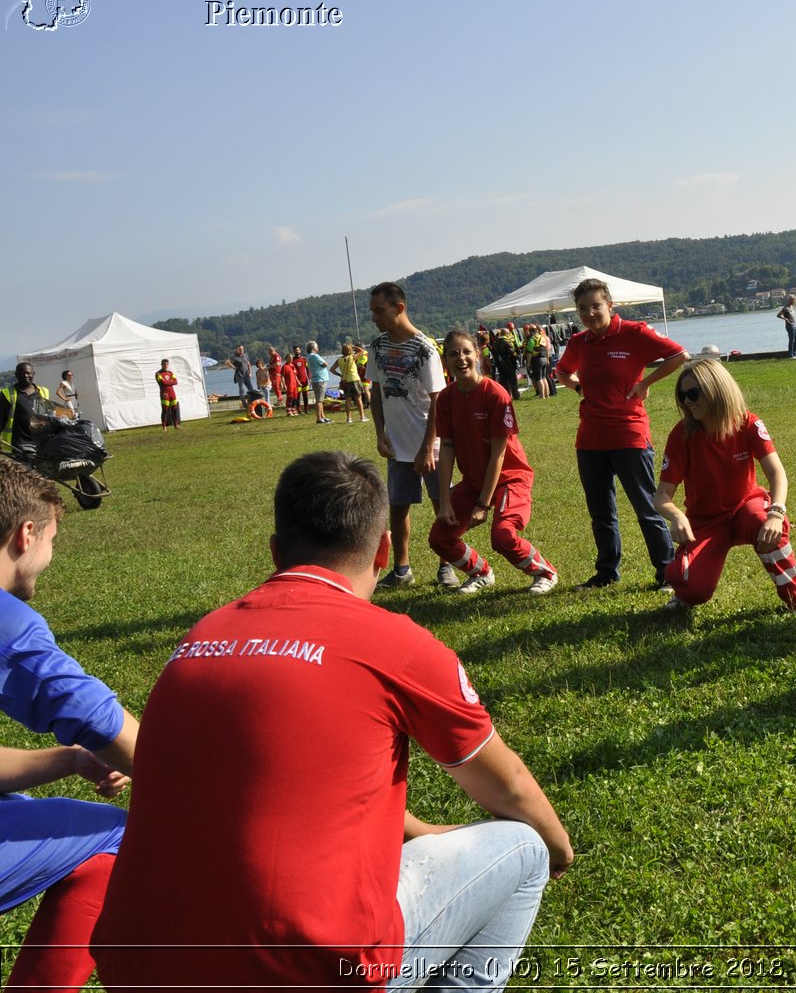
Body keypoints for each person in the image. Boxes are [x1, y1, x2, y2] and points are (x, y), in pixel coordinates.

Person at [92, 451, 572, 989]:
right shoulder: (396, 644)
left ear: (275, 551)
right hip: (310, 971)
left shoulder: (201, 638)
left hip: (136, 966)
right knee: (524, 847)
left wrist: (422, 832)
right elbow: (507, 786)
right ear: (384, 550)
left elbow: (283, 786)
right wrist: (558, 849)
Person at [0, 457, 139, 989]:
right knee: (122, 838)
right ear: (26, 534)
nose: (51, 555)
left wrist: (70, 760)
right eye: (53, 539)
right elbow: (99, 722)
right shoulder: (9, 623)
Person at [653, 358, 796, 615]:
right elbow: (662, 495)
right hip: (705, 522)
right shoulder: (682, 434)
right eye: (682, 396)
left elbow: (777, 473)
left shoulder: (748, 422)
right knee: (691, 585)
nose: (687, 401)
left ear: (715, 389)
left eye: (694, 393)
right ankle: (683, 590)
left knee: (765, 522)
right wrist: (676, 516)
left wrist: (776, 512)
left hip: (745, 507)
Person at [555, 277, 687, 590]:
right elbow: (561, 371)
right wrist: (577, 386)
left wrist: (645, 384)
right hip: (590, 441)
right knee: (601, 513)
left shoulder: (634, 333)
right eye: (582, 308)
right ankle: (606, 573)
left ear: (610, 306)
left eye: (595, 306)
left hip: (629, 436)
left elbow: (679, 355)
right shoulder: (578, 343)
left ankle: (666, 572)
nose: (589, 313)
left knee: (647, 507)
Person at [428, 330, 559, 596]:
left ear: (477, 355)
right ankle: (480, 572)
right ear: (445, 361)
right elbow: (448, 450)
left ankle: (545, 573)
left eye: (466, 351)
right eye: (453, 353)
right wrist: (443, 501)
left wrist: (482, 504)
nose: (460, 358)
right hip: (474, 481)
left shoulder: (495, 394)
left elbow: (499, 454)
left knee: (503, 536)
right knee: (439, 538)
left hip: (511, 478)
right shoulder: (446, 398)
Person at [369, 281, 455, 589]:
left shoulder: (425, 348)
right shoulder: (377, 347)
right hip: (397, 444)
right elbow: (376, 394)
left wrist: (427, 446)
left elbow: (437, 400)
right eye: (373, 311)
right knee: (398, 506)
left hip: (427, 445)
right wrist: (380, 433)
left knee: (441, 504)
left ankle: (448, 565)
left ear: (399, 307)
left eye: (379, 310)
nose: (375, 317)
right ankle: (402, 569)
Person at [0, 363, 54, 456]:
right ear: (16, 375)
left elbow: (50, 417)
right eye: (22, 373)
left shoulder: (44, 392)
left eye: (28, 373)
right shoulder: (7, 394)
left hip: (40, 443)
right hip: (17, 445)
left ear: (33, 374)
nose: (25, 376)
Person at [337, 342, 368, 424]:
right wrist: (354, 346)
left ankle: (349, 418)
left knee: (348, 400)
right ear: (350, 350)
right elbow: (363, 351)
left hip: (345, 380)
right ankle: (362, 417)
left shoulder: (339, 359)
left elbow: (332, 369)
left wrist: (340, 375)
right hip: (354, 379)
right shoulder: (352, 357)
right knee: (358, 398)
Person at [305, 341, 332, 424]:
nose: (318, 348)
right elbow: (325, 364)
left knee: (320, 399)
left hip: (315, 379)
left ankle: (322, 416)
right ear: (313, 348)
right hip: (320, 379)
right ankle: (319, 418)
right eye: (317, 346)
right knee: (319, 400)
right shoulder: (315, 356)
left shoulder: (308, 356)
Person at [154, 358, 181, 430]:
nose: (166, 365)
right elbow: (162, 382)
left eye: (167, 364)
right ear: (161, 364)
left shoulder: (170, 373)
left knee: (174, 409)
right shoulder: (158, 373)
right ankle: (164, 427)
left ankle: (176, 425)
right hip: (165, 394)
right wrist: (170, 381)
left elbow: (176, 382)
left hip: (172, 393)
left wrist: (167, 382)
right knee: (165, 410)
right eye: (164, 364)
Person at [229, 345, 253, 409]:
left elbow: (248, 364)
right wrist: (233, 367)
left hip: (246, 375)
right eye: (240, 349)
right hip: (239, 376)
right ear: (236, 350)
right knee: (241, 390)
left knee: (251, 389)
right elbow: (227, 362)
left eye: (242, 348)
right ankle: (245, 405)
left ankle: (251, 402)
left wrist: (250, 373)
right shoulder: (233, 356)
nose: (241, 350)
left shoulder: (246, 355)